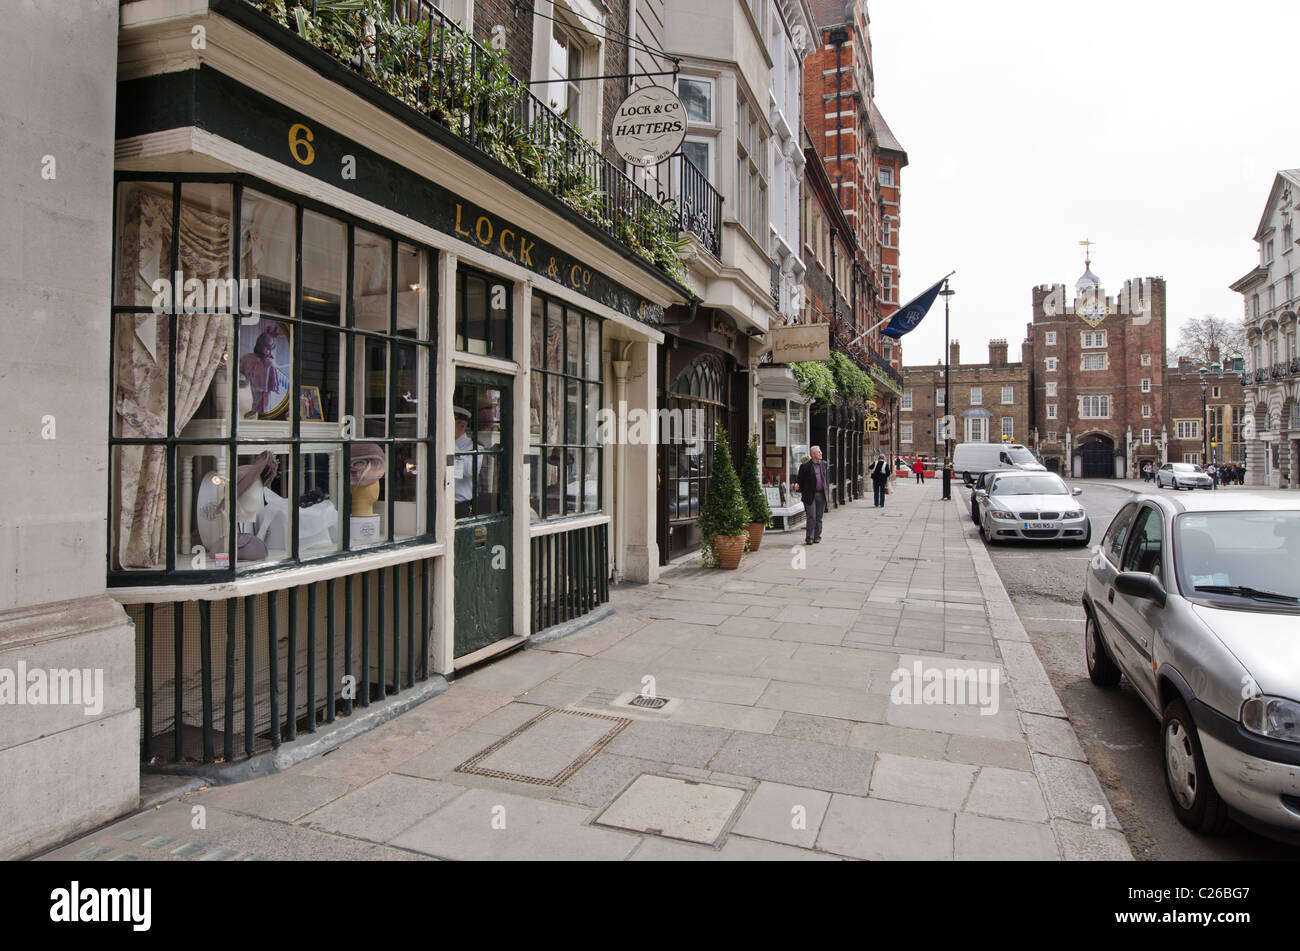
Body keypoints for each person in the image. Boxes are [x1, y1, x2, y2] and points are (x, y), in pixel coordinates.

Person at [793, 446, 829, 545]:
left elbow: (826, 479)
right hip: (810, 495)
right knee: (811, 516)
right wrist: (797, 484)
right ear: (813, 454)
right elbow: (800, 479)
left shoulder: (824, 464)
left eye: (820, 452)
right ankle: (809, 537)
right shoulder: (805, 466)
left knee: (819, 517)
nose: (821, 453)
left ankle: (817, 536)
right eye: (818, 452)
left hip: (821, 494)